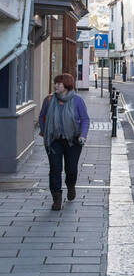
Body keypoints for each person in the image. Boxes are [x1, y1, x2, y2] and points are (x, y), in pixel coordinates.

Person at [38, 73, 90, 211]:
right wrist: (45, 133)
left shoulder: (77, 101)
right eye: (55, 83)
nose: (56, 85)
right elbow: (42, 116)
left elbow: (85, 119)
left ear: (66, 85)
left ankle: (70, 185)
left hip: (73, 140)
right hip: (54, 140)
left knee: (71, 169)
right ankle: (57, 198)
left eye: (59, 84)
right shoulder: (49, 100)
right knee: (55, 169)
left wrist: (83, 135)